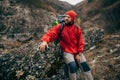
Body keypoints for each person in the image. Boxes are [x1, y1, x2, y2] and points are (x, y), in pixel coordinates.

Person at [38, 10, 93, 80]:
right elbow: (51, 33)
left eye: (69, 17)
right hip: (66, 51)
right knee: (72, 66)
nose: (66, 18)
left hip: (77, 51)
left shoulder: (77, 28)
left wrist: (79, 53)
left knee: (86, 67)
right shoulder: (60, 26)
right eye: (66, 16)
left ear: (72, 19)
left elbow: (81, 41)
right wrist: (45, 41)